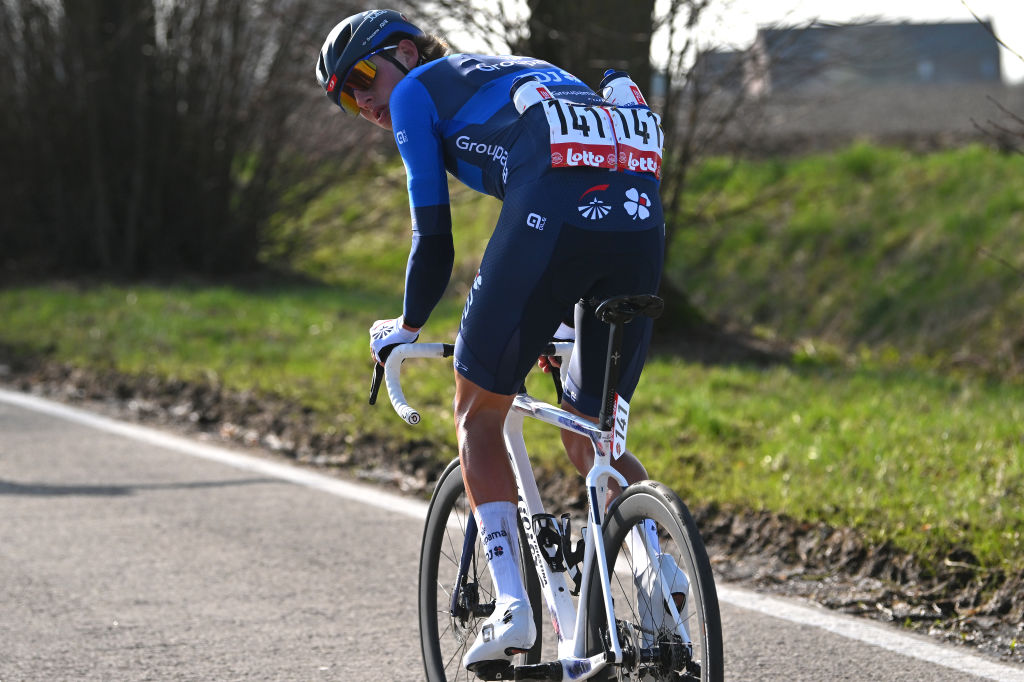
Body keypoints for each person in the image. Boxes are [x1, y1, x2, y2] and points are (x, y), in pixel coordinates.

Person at [317, 9, 680, 674]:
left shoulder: (416, 92)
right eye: (345, 97)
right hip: (638, 219)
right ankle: (659, 573)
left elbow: (433, 238)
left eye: (364, 75)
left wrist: (405, 329)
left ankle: (512, 607)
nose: (362, 99)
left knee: (476, 414)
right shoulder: (535, 72)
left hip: (554, 215)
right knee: (590, 433)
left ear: (404, 52)